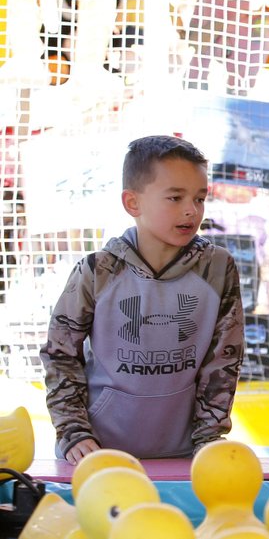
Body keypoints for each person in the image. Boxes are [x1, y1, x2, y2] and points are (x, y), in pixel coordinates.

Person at [41, 135, 246, 465]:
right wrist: (73, 431)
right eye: (175, 198)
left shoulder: (218, 268)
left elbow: (224, 358)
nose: (191, 210)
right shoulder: (98, 271)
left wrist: (209, 437)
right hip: (95, 454)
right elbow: (60, 353)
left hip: (187, 454)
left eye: (199, 198)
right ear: (132, 203)